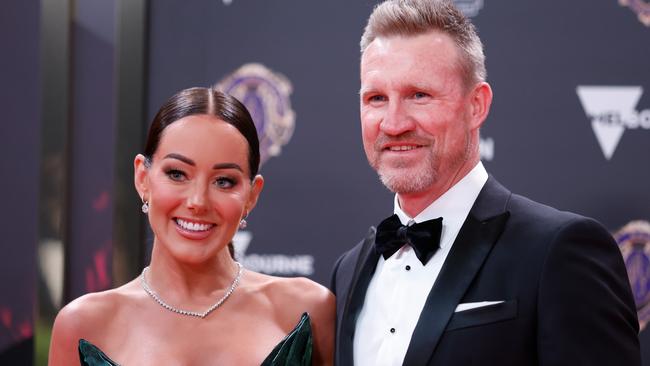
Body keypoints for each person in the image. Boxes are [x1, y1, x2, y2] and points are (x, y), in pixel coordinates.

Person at [330, 1, 641, 365]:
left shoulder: (558, 251)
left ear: (476, 105)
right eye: (377, 98)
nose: (394, 123)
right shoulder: (348, 271)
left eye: (419, 95)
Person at [49, 87, 335, 365]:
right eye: (177, 174)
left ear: (252, 194)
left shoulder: (307, 310)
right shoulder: (83, 325)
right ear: (142, 178)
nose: (198, 201)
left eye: (224, 181)